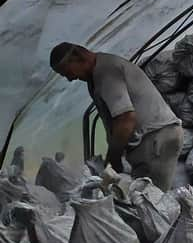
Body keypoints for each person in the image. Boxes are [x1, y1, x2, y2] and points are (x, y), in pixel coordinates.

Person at [50, 42, 183, 191]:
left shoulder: (106, 71)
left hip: (156, 140)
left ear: (77, 57)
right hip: (151, 140)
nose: (69, 78)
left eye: (66, 71)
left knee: (151, 201)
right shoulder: (96, 73)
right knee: (142, 198)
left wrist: (113, 157)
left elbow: (125, 118)